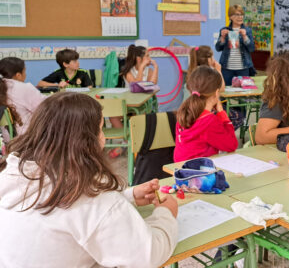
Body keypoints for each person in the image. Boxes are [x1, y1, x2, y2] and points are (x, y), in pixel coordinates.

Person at [0, 92, 179, 268]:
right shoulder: (91, 197)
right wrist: (165, 214)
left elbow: (66, 214)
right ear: (84, 141)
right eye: (100, 129)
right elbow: (147, 255)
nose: (104, 137)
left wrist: (128, 196)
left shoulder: (16, 173)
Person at [174, 66, 238, 162]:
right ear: (216, 93)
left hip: (182, 170)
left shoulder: (185, 111)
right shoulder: (208, 120)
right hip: (199, 173)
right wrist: (221, 113)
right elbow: (231, 145)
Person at [0, 57, 45, 135]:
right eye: (25, 71)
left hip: (6, 139)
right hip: (27, 137)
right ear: (18, 75)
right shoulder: (24, 88)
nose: (26, 74)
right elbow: (45, 109)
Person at [215, 4, 255, 86]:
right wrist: (222, 38)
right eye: (237, 14)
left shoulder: (247, 30)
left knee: (244, 93)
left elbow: (252, 49)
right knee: (225, 91)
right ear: (230, 17)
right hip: (226, 68)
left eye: (241, 15)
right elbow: (218, 48)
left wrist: (245, 37)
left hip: (243, 68)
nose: (240, 17)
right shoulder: (224, 30)